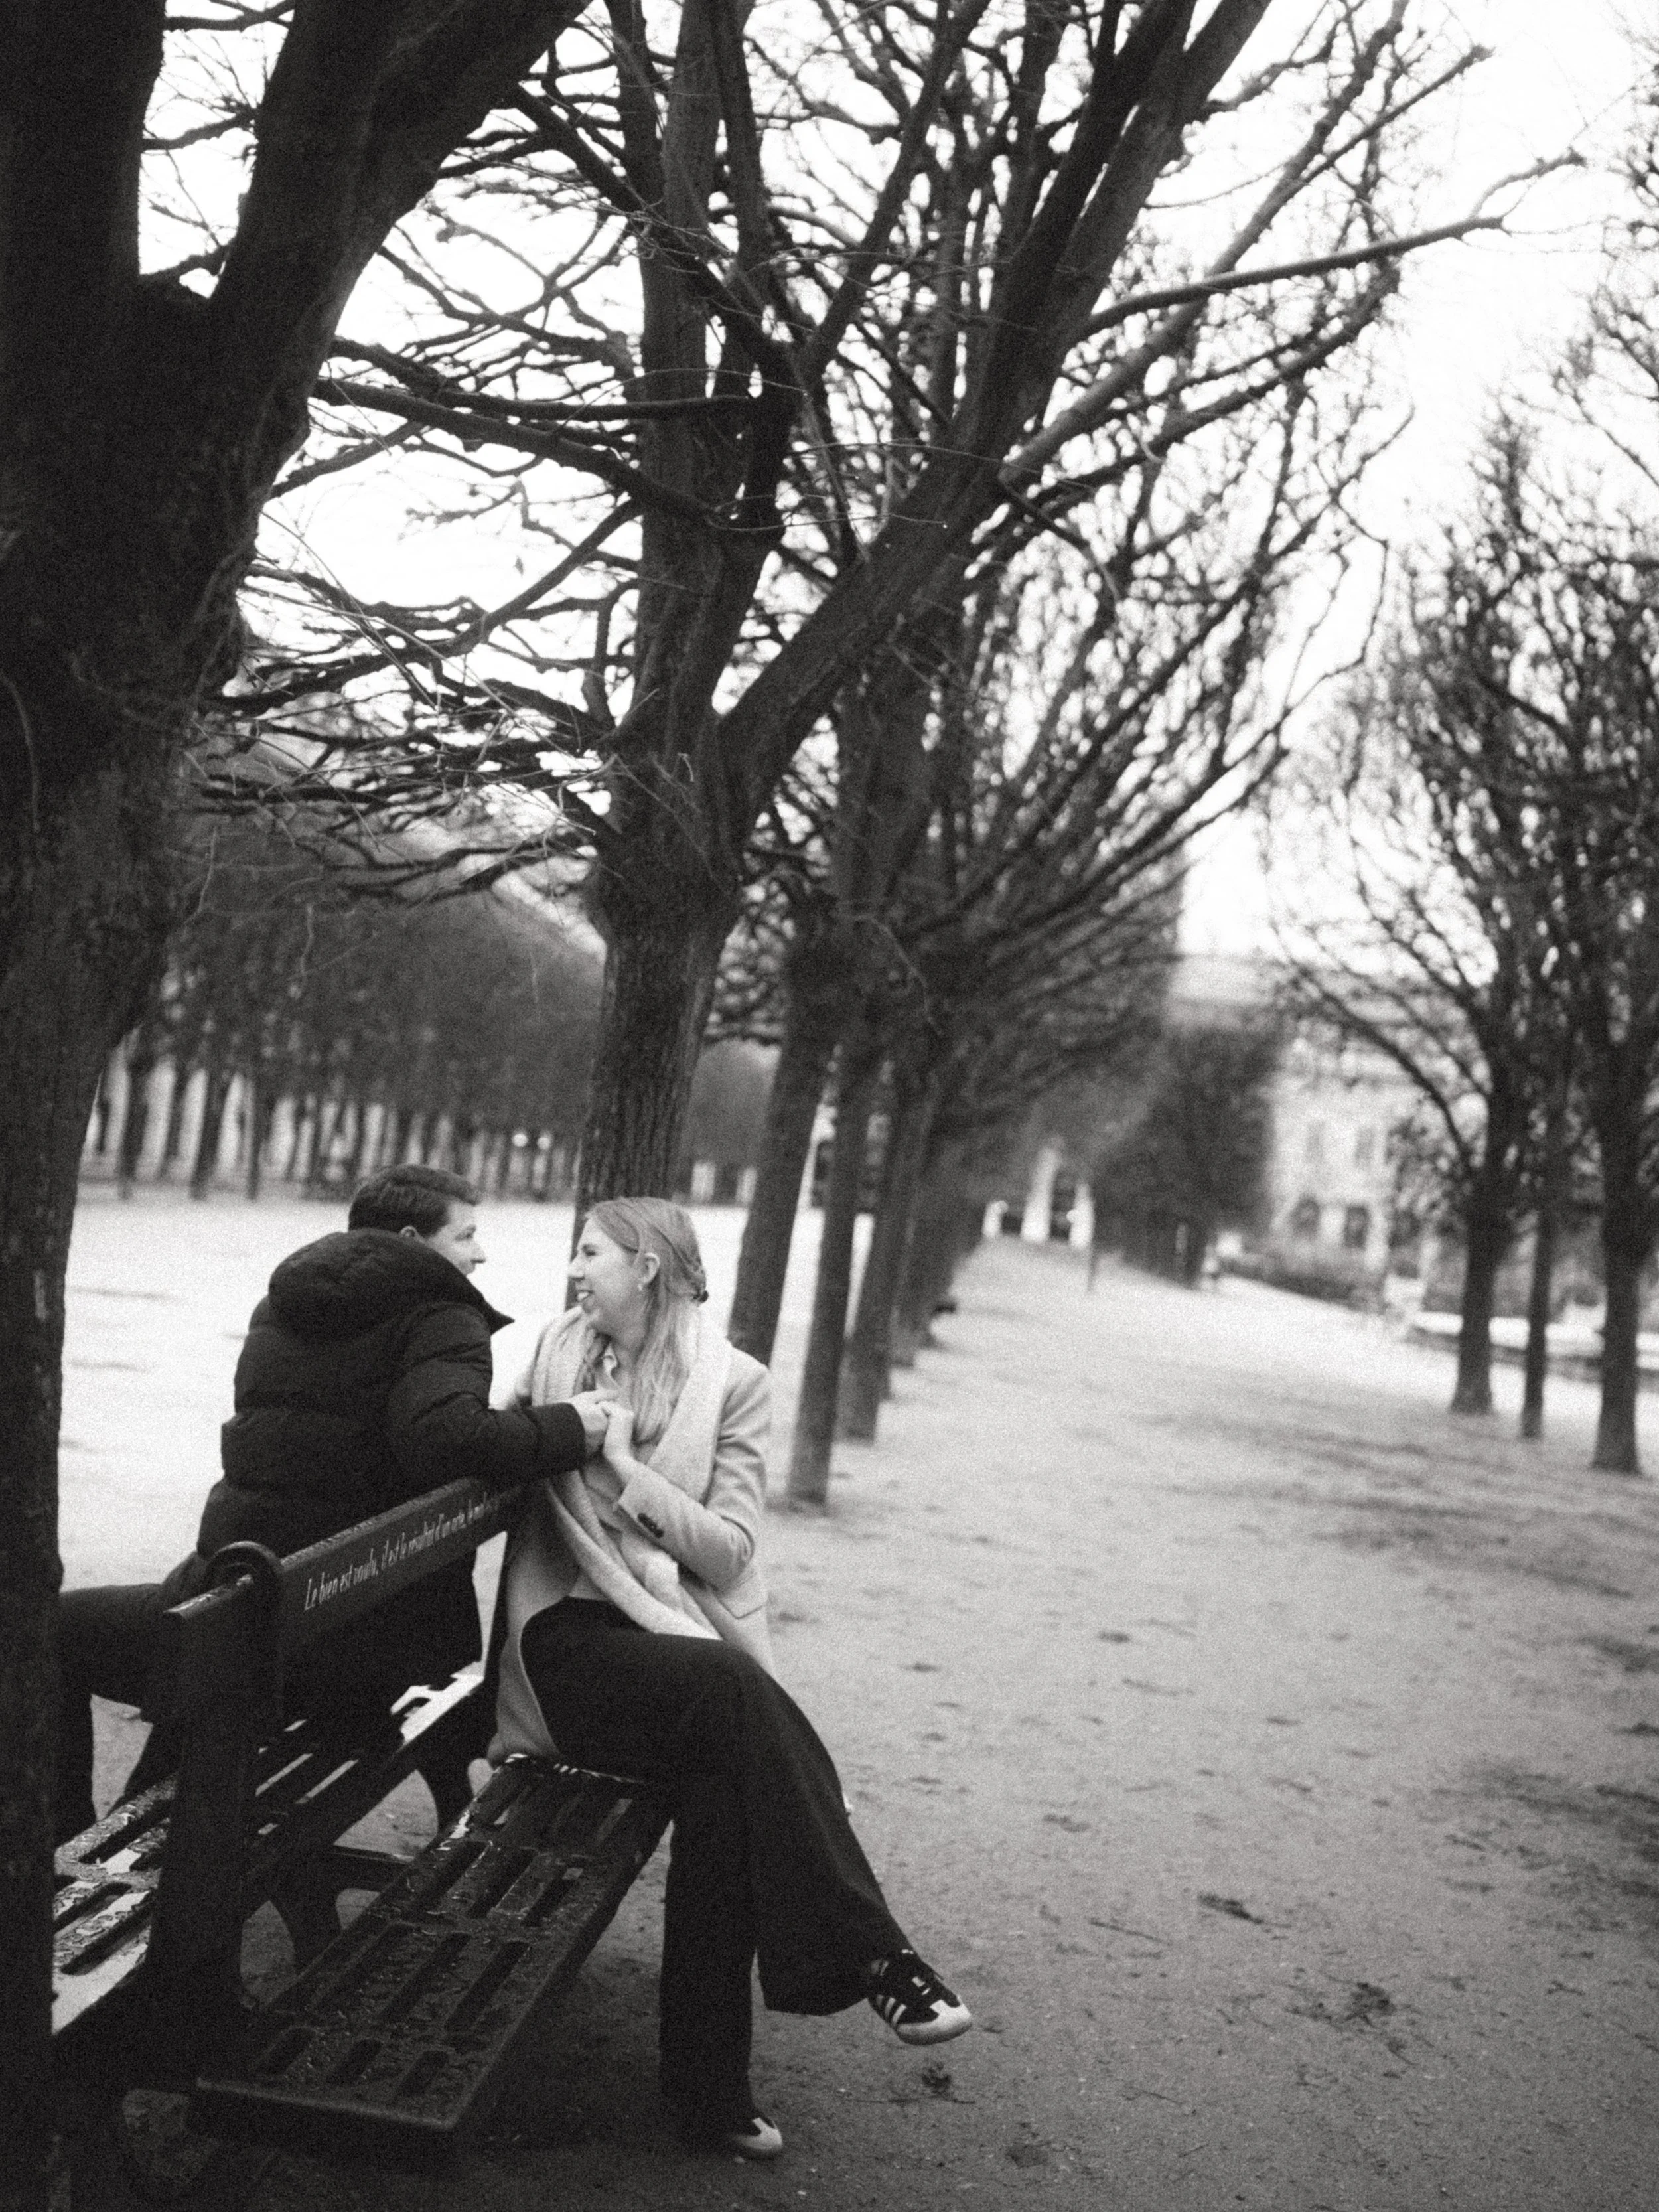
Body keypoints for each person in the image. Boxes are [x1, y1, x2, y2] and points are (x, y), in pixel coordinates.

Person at [492, 1196, 972, 2164]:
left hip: (676, 1635)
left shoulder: (737, 1383)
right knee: (731, 1695)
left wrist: (628, 1469)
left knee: (727, 1784)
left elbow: (733, 1553)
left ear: (651, 1268)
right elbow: (487, 1453)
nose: (574, 1270)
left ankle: (709, 2087)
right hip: (565, 1648)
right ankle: (876, 1955)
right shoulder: (549, 1354)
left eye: (591, 1253)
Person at [55, 1164, 609, 1843]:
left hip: (259, 1613)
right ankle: (94, 1852)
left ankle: (62, 1842)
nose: (479, 1253)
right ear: (413, 1239)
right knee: (181, 1652)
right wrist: (568, 1427)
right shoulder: (441, 1316)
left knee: (55, 1630)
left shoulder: (283, 1305)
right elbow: (445, 1438)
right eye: (466, 1235)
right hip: (348, 1647)